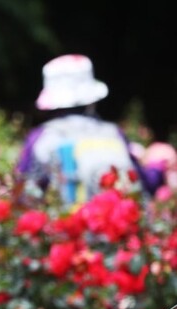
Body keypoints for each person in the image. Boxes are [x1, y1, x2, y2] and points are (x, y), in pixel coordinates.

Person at [16, 54, 163, 204]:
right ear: (91, 99)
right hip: (118, 224)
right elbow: (144, 186)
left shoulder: (40, 138)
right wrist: (157, 165)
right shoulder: (113, 133)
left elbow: (24, 195)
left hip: (66, 223)